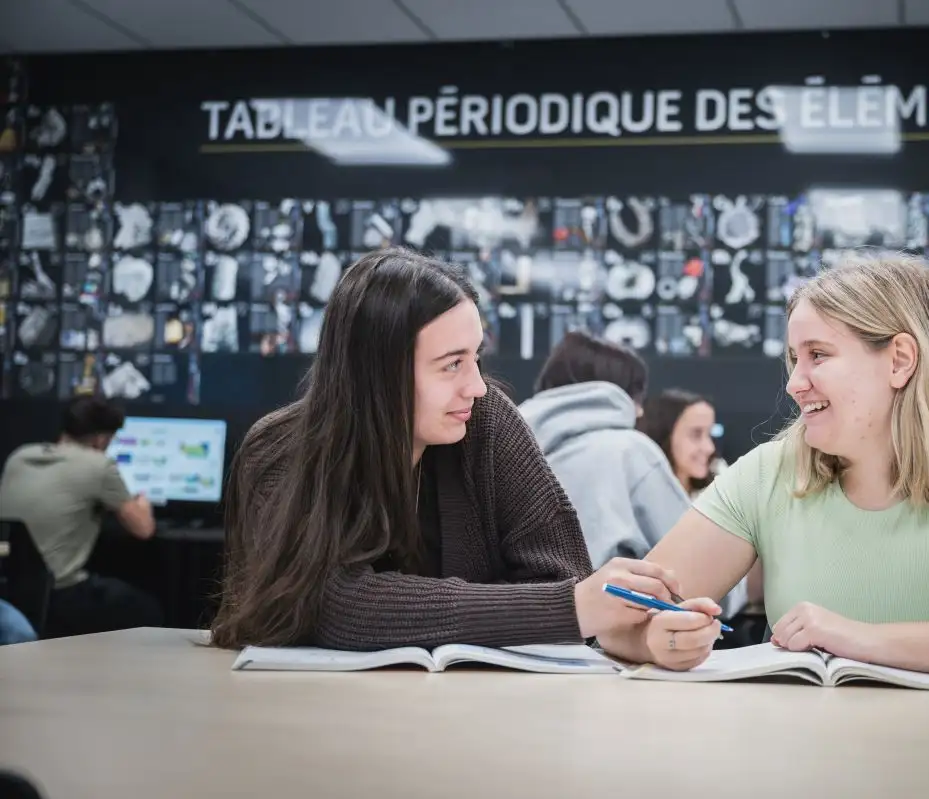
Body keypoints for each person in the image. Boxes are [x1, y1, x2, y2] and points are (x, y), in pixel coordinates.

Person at [599, 250, 929, 685]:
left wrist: (860, 640)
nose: (794, 382)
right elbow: (620, 621)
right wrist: (657, 640)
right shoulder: (767, 474)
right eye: (793, 359)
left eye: (818, 355)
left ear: (899, 360)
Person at [208, 248, 679, 651]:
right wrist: (563, 610)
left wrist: (564, 604)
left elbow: (561, 574)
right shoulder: (277, 452)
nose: (476, 385)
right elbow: (322, 604)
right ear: (378, 374)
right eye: (451, 364)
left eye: (475, 357)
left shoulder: (486, 422)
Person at [518, 331, 691, 569]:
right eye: (639, 397)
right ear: (625, 397)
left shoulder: (505, 454)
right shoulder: (630, 451)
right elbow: (703, 568)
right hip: (618, 604)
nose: (640, 412)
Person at [0, 395, 161, 638]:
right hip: (59, 592)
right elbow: (143, 529)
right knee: (146, 609)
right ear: (100, 439)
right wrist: (143, 504)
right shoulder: (99, 465)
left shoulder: (19, 456)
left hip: (10, 587)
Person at [637, 389, 763, 646]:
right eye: (696, 435)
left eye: (710, 434)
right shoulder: (641, 495)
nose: (708, 447)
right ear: (664, 433)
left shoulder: (723, 485)